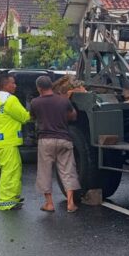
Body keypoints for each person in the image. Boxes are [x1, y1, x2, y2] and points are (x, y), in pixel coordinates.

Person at [29, 75, 80, 213]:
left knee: (44, 172)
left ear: (39, 88)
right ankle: (70, 203)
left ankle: (49, 204)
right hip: (64, 139)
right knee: (68, 171)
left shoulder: (35, 102)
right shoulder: (63, 101)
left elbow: (33, 117)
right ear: (51, 86)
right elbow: (73, 116)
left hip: (45, 140)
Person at [0, 73, 30, 211]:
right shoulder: (10, 100)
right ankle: (7, 202)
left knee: (12, 169)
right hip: (8, 140)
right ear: (5, 85)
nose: (15, 85)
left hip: (1, 140)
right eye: (13, 83)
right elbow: (24, 117)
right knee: (10, 171)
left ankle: (13, 197)